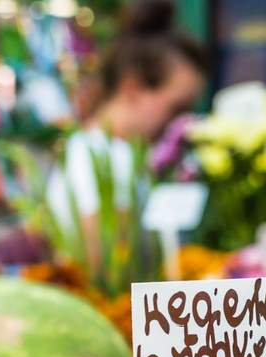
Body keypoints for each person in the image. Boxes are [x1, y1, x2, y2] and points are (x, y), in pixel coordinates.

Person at [46, 0, 207, 248]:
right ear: (134, 88)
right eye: (177, 108)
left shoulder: (128, 154)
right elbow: (109, 264)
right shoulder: (90, 158)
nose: (182, 123)